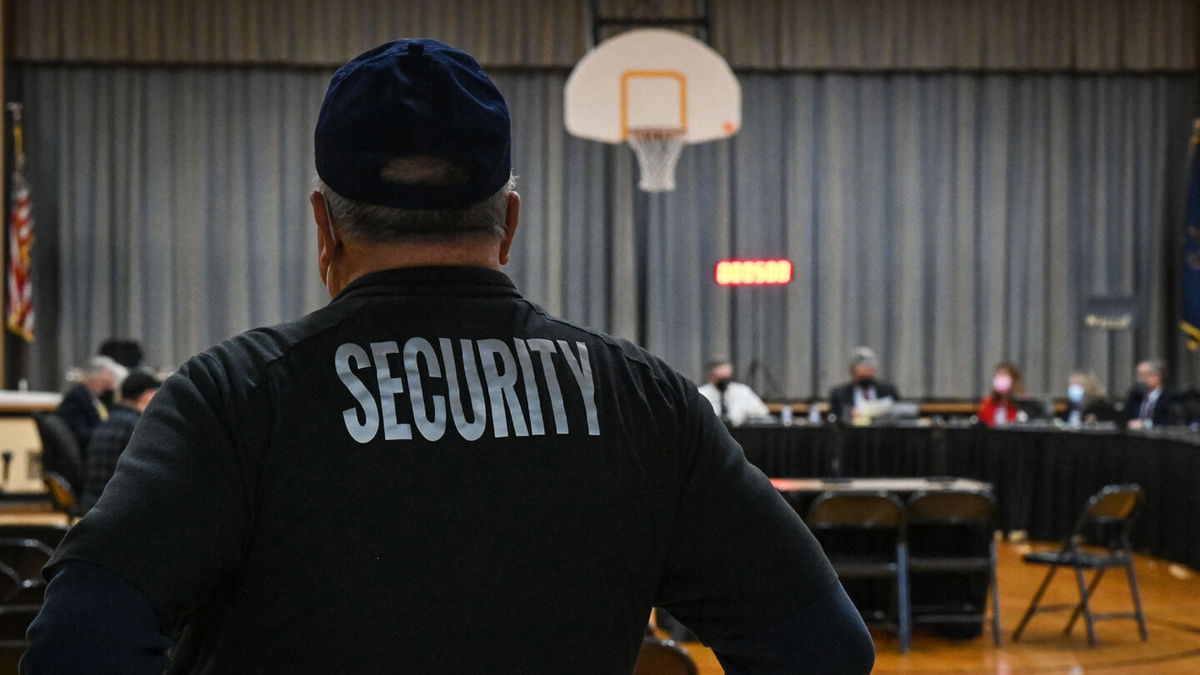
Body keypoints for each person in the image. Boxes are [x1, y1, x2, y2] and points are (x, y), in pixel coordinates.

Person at [26, 39, 873, 674]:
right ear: (509, 222)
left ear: (324, 227)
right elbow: (826, 649)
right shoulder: (644, 400)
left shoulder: (235, 396)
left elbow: (78, 640)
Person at [79, 370, 162, 512]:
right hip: (118, 506)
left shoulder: (108, 421)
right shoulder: (138, 425)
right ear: (148, 396)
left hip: (93, 502)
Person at [54, 356, 127, 451]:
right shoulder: (77, 397)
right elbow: (81, 434)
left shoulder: (94, 397)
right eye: (105, 382)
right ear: (93, 377)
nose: (108, 388)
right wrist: (106, 436)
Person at [828, 347, 900, 421]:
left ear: (874, 371)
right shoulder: (839, 394)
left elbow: (899, 413)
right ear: (852, 373)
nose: (865, 380)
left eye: (868, 375)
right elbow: (834, 418)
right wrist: (849, 415)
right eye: (861, 377)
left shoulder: (888, 391)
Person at [696, 360, 771, 426]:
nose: (724, 382)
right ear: (711, 377)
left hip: (739, 433)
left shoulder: (742, 391)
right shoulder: (701, 393)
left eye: (726, 378)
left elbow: (762, 412)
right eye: (720, 378)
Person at [1123, 359, 1176, 429]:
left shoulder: (1170, 396)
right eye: (1138, 376)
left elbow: (1170, 421)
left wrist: (1146, 424)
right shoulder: (1135, 395)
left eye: (1144, 375)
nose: (1140, 380)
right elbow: (1125, 416)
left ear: (1157, 376)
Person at [978, 361, 1024, 427]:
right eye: (999, 375)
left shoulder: (1022, 402)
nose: (1001, 379)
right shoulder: (987, 402)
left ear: (1014, 380)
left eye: (1004, 375)